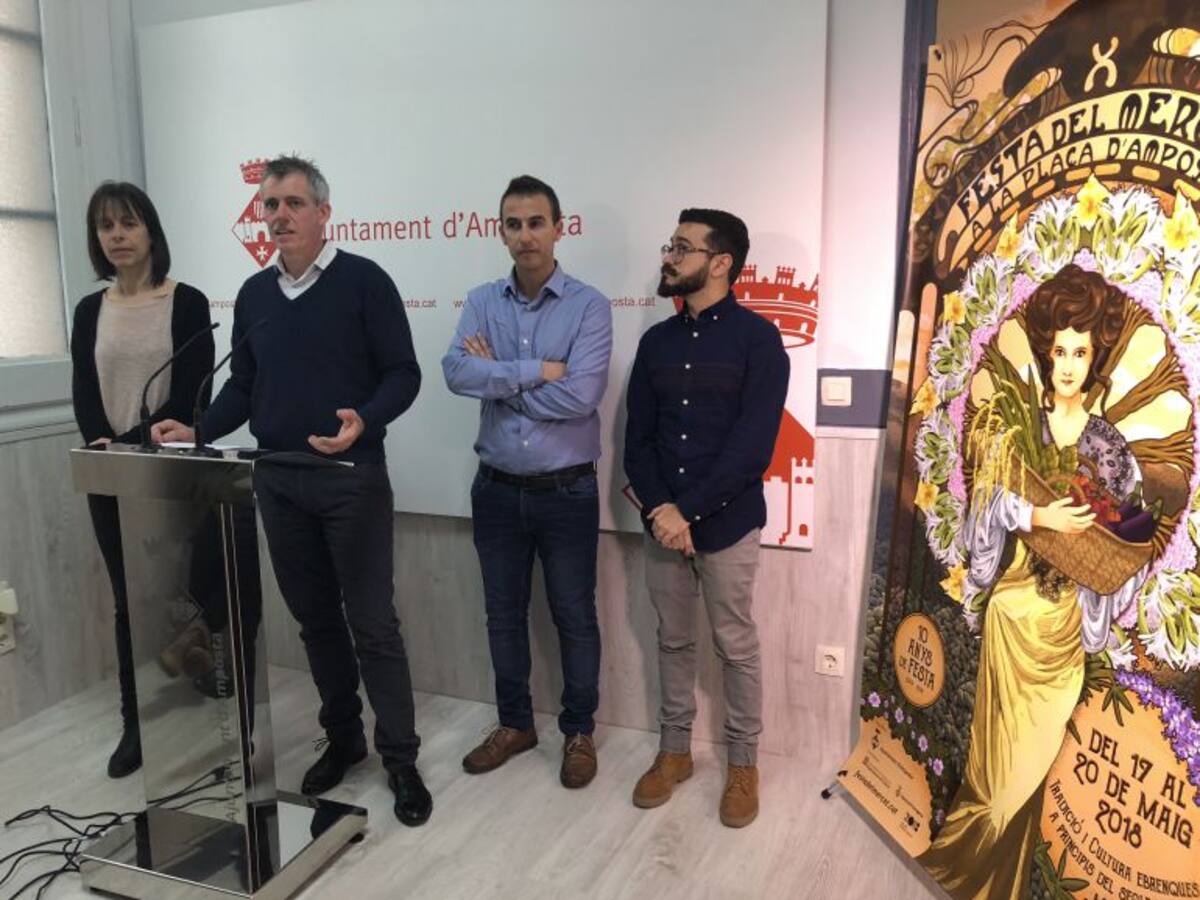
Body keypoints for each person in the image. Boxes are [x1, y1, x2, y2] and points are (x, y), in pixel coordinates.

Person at [151, 155, 431, 826]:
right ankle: (345, 738)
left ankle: (400, 758)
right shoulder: (254, 295)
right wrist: (198, 429)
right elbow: (245, 386)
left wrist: (366, 419)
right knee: (316, 623)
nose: (278, 216)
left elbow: (404, 373)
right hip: (277, 481)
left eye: (293, 204)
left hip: (349, 480)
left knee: (373, 625)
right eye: (269, 205)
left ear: (323, 213)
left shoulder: (365, 281)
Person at [921, 264, 1147, 899]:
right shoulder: (1022, 427)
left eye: (1081, 353)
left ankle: (985, 877)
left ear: (1094, 359)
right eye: (1059, 352)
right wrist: (1040, 516)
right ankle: (964, 875)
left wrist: (1101, 542)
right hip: (1013, 614)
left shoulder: (1109, 446)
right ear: (1047, 354)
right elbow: (990, 504)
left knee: (1026, 772)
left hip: (1064, 628)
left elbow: (1127, 540)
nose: (1068, 365)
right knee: (993, 771)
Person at [442, 175, 612, 789]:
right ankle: (515, 724)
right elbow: (456, 372)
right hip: (495, 490)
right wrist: (537, 370)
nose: (525, 235)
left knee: (574, 616)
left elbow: (581, 396)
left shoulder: (589, 306)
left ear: (558, 228)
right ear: (501, 232)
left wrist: (499, 377)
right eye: (513, 224)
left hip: (567, 491)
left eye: (536, 222)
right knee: (502, 616)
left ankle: (579, 731)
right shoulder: (481, 300)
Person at [623, 208, 788, 828]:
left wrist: (686, 511)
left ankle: (743, 764)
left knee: (735, 645)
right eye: (670, 245)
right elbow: (637, 441)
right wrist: (662, 512)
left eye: (683, 248)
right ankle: (675, 752)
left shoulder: (759, 341)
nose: (669, 257)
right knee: (672, 640)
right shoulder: (655, 344)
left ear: (720, 263)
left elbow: (752, 449)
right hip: (663, 525)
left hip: (728, 523)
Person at [70, 181, 215, 778]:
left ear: (151, 230)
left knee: (184, 589)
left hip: (171, 470)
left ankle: (203, 686)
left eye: (128, 223)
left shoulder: (187, 301)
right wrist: (107, 446)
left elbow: (192, 396)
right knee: (130, 599)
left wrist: (130, 442)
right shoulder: (89, 310)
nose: (118, 236)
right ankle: (137, 722)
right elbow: (84, 393)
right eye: (106, 226)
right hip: (109, 472)